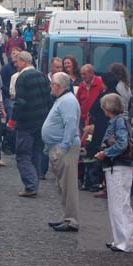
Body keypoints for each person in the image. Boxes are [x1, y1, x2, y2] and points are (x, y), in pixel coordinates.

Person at [7, 51, 52, 197]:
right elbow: (48, 99)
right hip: (41, 121)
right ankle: (35, 180)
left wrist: (12, 120)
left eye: (17, 62)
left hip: (26, 123)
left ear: (24, 62)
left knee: (22, 155)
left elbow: (20, 102)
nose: (15, 65)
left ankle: (31, 186)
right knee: (36, 152)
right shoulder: (42, 76)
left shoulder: (22, 78)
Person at [41, 72, 81, 232]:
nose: (50, 86)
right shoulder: (64, 100)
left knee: (68, 186)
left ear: (58, 86)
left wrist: (63, 147)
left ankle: (72, 220)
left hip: (65, 149)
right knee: (62, 186)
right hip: (58, 147)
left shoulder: (68, 101)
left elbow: (70, 124)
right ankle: (66, 217)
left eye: (52, 84)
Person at [95, 93, 133, 252]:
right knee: (118, 204)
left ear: (108, 107)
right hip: (119, 166)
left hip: (117, 167)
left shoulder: (118, 122)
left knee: (119, 204)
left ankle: (124, 242)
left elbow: (121, 143)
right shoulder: (121, 120)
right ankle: (120, 239)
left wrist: (106, 153)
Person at [82, 72, 118, 192]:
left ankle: (93, 182)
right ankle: (106, 183)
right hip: (114, 131)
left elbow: (92, 111)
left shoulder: (103, 95)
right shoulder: (118, 96)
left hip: (100, 129)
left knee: (95, 155)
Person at [0, 47, 21, 154]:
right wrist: (8, 93)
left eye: (17, 54)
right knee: (11, 120)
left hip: (20, 98)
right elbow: (1, 83)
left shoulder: (21, 69)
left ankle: (15, 144)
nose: (15, 56)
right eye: (13, 54)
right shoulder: (6, 68)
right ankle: (6, 144)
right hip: (9, 98)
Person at [76, 64, 103, 130]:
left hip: (96, 119)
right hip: (83, 119)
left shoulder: (100, 83)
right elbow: (77, 101)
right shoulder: (81, 85)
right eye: (81, 74)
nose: (82, 76)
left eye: (84, 74)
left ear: (91, 73)